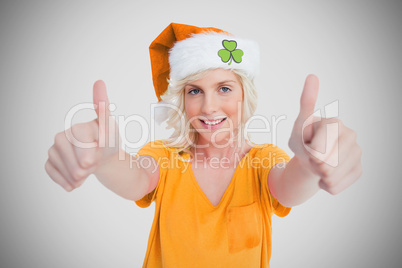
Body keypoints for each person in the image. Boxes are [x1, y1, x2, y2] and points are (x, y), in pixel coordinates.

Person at [45, 23, 362, 267]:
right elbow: (136, 179)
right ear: (182, 100)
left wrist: (308, 164)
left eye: (224, 88)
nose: (209, 107)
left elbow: (288, 188)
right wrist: (105, 158)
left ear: (243, 95)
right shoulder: (164, 156)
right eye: (195, 91)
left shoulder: (264, 160)